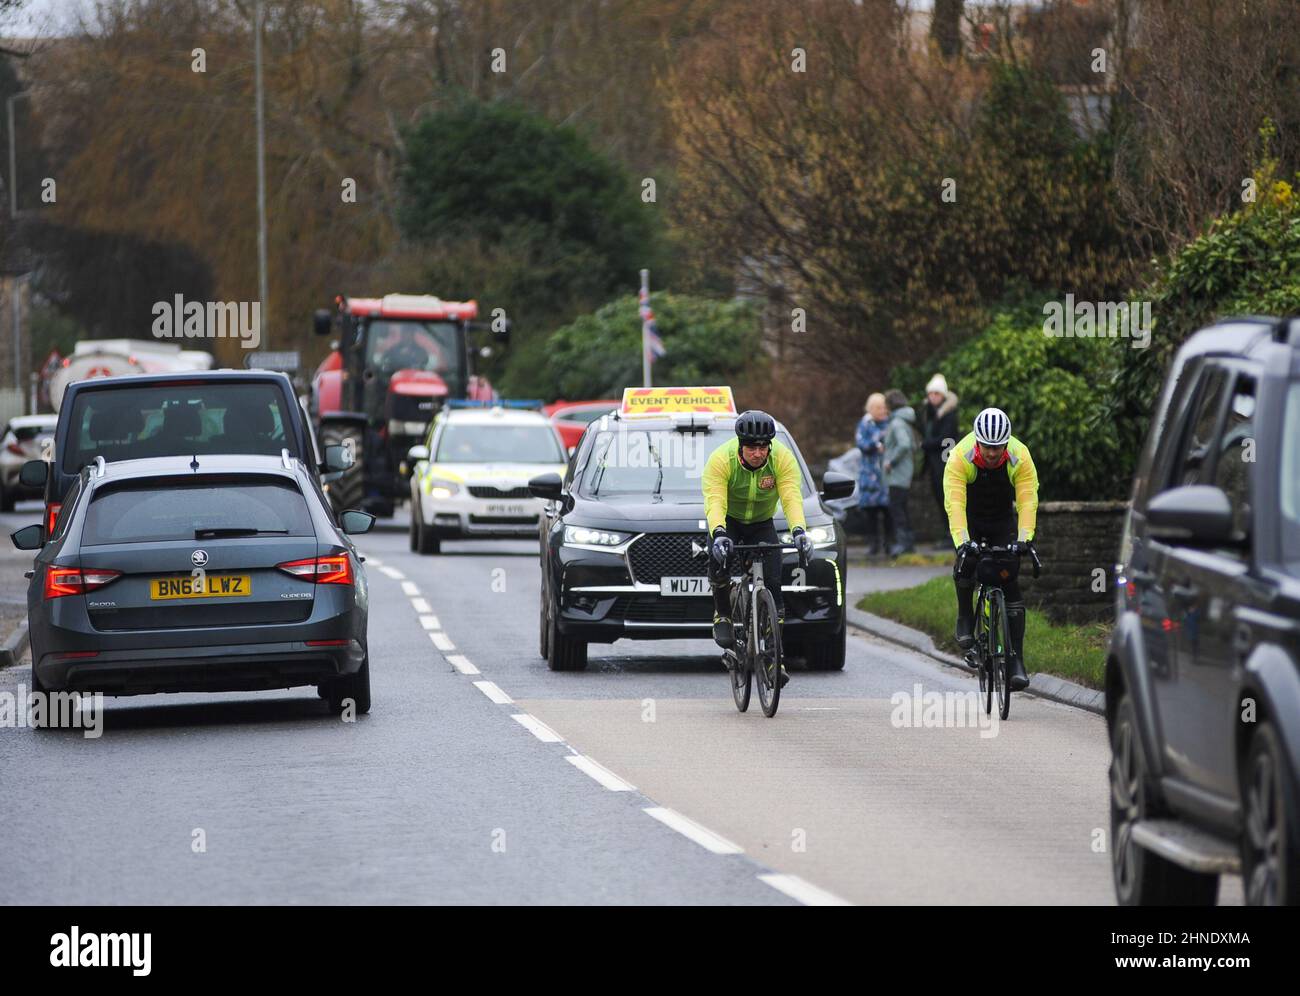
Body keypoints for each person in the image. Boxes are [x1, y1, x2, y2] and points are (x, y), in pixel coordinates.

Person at [703, 410, 811, 688]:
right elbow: (715, 500)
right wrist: (719, 534)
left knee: (774, 585)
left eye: (763, 447)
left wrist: (799, 530)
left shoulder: (782, 459)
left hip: (762, 522)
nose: (758, 453)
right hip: (728, 522)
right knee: (719, 565)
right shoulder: (721, 460)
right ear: (740, 445)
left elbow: (790, 496)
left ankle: (775, 658)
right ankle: (723, 612)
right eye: (751, 447)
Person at [943, 407, 1039, 691]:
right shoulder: (960, 456)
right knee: (968, 563)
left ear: (1006, 443)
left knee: (1009, 579)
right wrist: (963, 543)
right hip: (970, 519)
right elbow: (955, 504)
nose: (993, 452)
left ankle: (1016, 661)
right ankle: (964, 616)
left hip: (1001, 520)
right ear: (977, 441)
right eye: (987, 446)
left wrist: (1025, 538)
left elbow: (1027, 500)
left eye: (998, 447)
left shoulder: (1020, 456)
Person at [854, 393, 890, 555]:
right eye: (878, 407)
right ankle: (873, 544)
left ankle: (889, 544)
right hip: (869, 474)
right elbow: (861, 443)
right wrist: (875, 445)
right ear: (871, 409)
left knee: (888, 510)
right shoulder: (865, 424)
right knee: (870, 512)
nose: (882, 410)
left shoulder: (890, 423)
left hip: (886, 474)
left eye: (884, 407)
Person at [882, 389, 917, 556]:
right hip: (904, 472)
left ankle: (903, 543)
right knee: (902, 507)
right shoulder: (904, 421)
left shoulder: (896, 423)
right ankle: (908, 542)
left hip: (898, 474)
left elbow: (904, 444)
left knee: (897, 508)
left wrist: (891, 461)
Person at [920, 374, 959, 514]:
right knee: (938, 496)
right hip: (932, 463)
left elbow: (946, 439)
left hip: (945, 462)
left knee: (947, 497)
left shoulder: (949, 415)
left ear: (943, 395)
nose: (933, 396)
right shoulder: (927, 412)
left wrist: (924, 444)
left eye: (936, 393)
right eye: (930, 393)